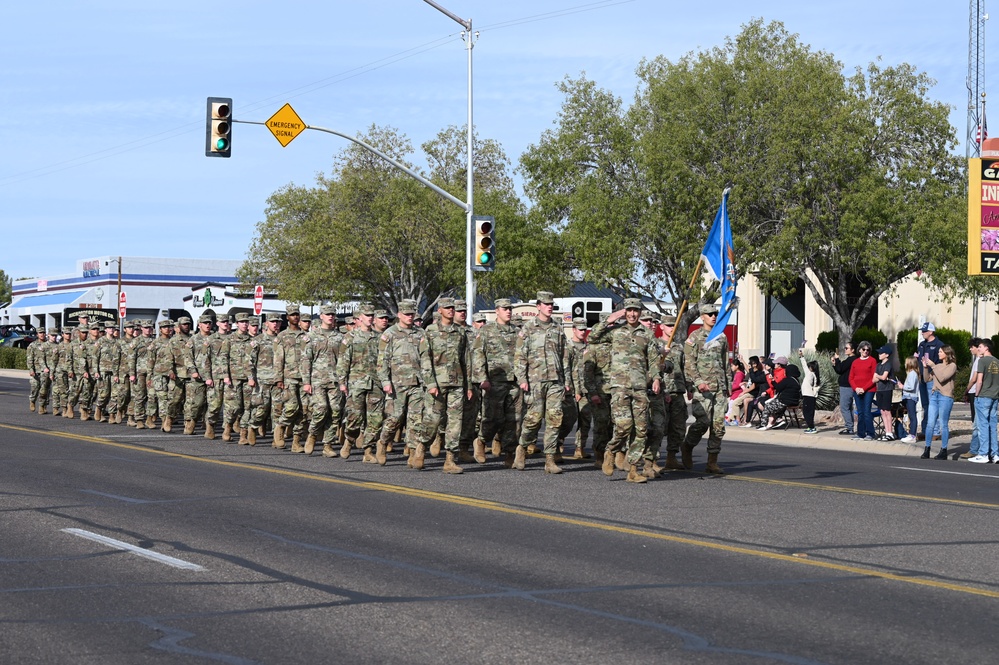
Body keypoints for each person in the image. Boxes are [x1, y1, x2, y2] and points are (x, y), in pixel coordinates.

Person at [588, 300, 661, 483]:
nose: (632, 314)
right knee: (623, 426)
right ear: (624, 312)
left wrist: (657, 378)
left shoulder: (647, 334)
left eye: (635, 311)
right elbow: (592, 337)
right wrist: (610, 320)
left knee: (642, 429)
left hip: (639, 386)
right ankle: (611, 450)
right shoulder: (615, 331)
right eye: (629, 311)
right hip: (619, 386)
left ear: (640, 312)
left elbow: (653, 360)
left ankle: (633, 470)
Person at [681, 303, 731, 474]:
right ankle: (687, 446)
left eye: (715, 314)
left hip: (719, 388)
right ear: (702, 316)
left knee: (718, 426)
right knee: (702, 422)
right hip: (702, 389)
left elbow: (726, 364)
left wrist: (728, 387)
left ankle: (712, 461)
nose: (713, 317)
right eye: (709, 314)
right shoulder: (694, 337)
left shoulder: (722, 337)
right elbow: (689, 363)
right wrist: (697, 382)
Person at [923, 344, 957, 460]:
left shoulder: (952, 366)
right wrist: (926, 368)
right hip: (934, 395)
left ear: (947, 354)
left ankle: (943, 450)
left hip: (945, 396)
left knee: (943, 424)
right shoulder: (937, 366)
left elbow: (942, 378)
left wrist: (933, 366)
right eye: (938, 351)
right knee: (930, 423)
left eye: (941, 352)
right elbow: (927, 379)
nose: (938, 353)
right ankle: (927, 448)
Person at [970, 339, 999, 464]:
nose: (979, 349)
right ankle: (995, 453)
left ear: (986, 348)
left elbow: (979, 380)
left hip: (984, 396)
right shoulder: (997, 361)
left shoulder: (982, 361)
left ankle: (983, 454)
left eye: (980, 346)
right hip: (995, 396)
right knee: (992, 426)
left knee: (983, 426)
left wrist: (976, 395)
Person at [915, 322, 944, 440]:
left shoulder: (939, 345)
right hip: (922, 378)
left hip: (932, 379)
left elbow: (940, 363)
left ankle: (936, 431)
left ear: (931, 332)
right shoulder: (922, 344)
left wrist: (932, 375)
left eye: (924, 331)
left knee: (933, 405)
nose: (922, 333)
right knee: (925, 405)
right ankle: (926, 429)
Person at [758, 357, 800, 430]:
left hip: (785, 401)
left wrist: (772, 380)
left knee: (767, 406)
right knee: (770, 404)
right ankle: (775, 420)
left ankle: (764, 424)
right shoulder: (796, 380)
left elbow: (778, 387)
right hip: (793, 401)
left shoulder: (787, 379)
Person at [849, 341, 877, 441]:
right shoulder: (855, 362)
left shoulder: (872, 361)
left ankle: (870, 433)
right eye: (864, 349)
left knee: (866, 411)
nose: (866, 351)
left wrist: (864, 388)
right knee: (860, 412)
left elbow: (874, 378)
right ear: (860, 350)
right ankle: (860, 433)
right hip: (857, 390)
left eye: (868, 350)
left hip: (869, 390)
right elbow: (851, 377)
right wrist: (856, 388)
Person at [960, 338, 983, 459]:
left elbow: (974, 379)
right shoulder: (980, 360)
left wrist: (966, 390)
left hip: (975, 392)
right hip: (977, 393)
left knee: (976, 422)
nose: (970, 349)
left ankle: (975, 448)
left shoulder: (979, 360)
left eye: (971, 347)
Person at [831, 342, 858, 435]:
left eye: (847, 348)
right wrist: (835, 364)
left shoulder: (851, 360)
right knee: (849, 407)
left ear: (853, 350)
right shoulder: (852, 360)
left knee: (844, 407)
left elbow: (840, 369)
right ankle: (850, 427)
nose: (845, 349)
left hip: (847, 386)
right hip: (849, 386)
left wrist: (837, 359)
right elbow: (840, 370)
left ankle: (849, 427)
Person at [873, 345, 896, 441]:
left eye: (881, 353)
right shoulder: (878, 365)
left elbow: (883, 377)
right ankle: (886, 431)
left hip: (887, 389)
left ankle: (890, 432)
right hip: (879, 390)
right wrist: (879, 376)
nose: (879, 355)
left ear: (886, 355)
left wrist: (878, 376)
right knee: (882, 411)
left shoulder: (888, 364)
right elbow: (874, 380)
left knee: (887, 410)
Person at [738, 356, 767, 427]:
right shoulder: (753, 372)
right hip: (759, 394)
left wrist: (744, 392)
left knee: (748, 402)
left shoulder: (761, 373)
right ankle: (747, 421)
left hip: (760, 395)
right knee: (746, 401)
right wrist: (742, 360)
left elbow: (754, 380)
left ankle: (746, 420)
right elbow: (748, 370)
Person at [900, 356, 920, 446]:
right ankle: (911, 434)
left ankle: (912, 435)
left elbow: (911, 387)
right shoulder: (911, 373)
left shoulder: (912, 374)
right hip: (909, 397)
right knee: (911, 416)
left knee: (912, 416)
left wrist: (902, 386)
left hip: (911, 397)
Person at [800, 357, 820, 434]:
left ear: (811, 368)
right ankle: (810, 427)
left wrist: (801, 357)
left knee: (807, 412)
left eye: (809, 367)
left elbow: (804, 365)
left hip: (808, 396)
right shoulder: (814, 375)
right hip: (809, 396)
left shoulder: (810, 374)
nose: (808, 368)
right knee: (809, 412)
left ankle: (812, 427)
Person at [725, 358, 745, 426]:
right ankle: (729, 418)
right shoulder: (737, 374)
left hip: (737, 393)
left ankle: (732, 419)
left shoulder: (740, 374)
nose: (731, 367)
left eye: (732, 366)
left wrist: (729, 388)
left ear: (737, 366)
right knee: (728, 404)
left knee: (732, 405)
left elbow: (737, 385)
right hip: (734, 393)